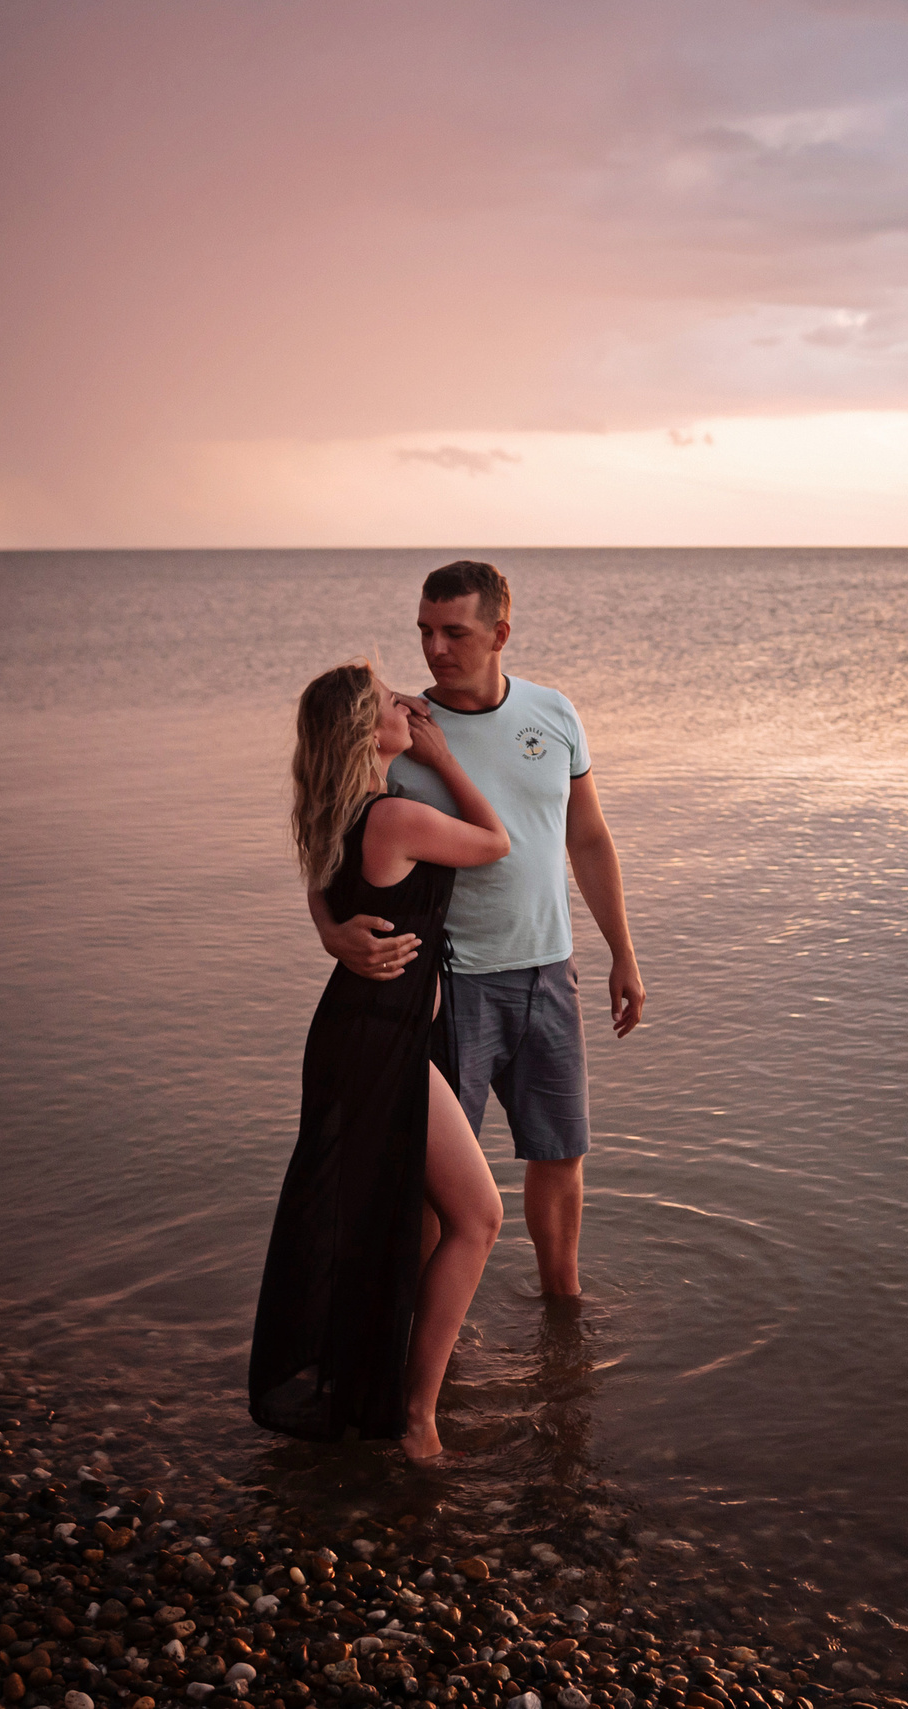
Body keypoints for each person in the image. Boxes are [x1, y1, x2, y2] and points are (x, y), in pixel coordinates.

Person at [328, 560, 644, 1299]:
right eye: (426, 632)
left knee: (560, 1154)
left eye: (454, 632)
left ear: (500, 632)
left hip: (549, 973)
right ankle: (437, 1349)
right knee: (442, 1175)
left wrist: (622, 952)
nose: (435, 649)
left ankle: (561, 1309)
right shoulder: (400, 731)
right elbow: (328, 850)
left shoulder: (554, 712)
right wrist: (331, 931)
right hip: (448, 986)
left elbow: (588, 837)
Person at [247, 661, 510, 1460]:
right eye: (392, 701)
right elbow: (496, 842)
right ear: (371, 734)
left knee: (378, 1219)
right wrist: (446, 761)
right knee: (478, 1216)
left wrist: (329, 930)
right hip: (379, 1042)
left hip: (361, 1033)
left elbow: (318, 887)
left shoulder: (339, 815)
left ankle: (381, 1390)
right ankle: (416, 1415)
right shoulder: (395, 816)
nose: (409, 703)